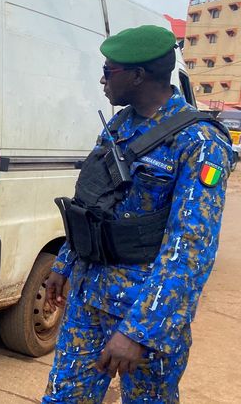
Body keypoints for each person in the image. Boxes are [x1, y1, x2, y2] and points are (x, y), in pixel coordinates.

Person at [42, 25, 233, 403]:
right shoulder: (119, 124)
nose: (102, 80)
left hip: (144, 310)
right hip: (89, 296)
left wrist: (140, 331)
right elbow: (93, 206)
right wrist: (64, 265)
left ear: (138, 75)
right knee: (64, 396)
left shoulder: (199, 142)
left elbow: (190, 249)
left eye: (109, 71)